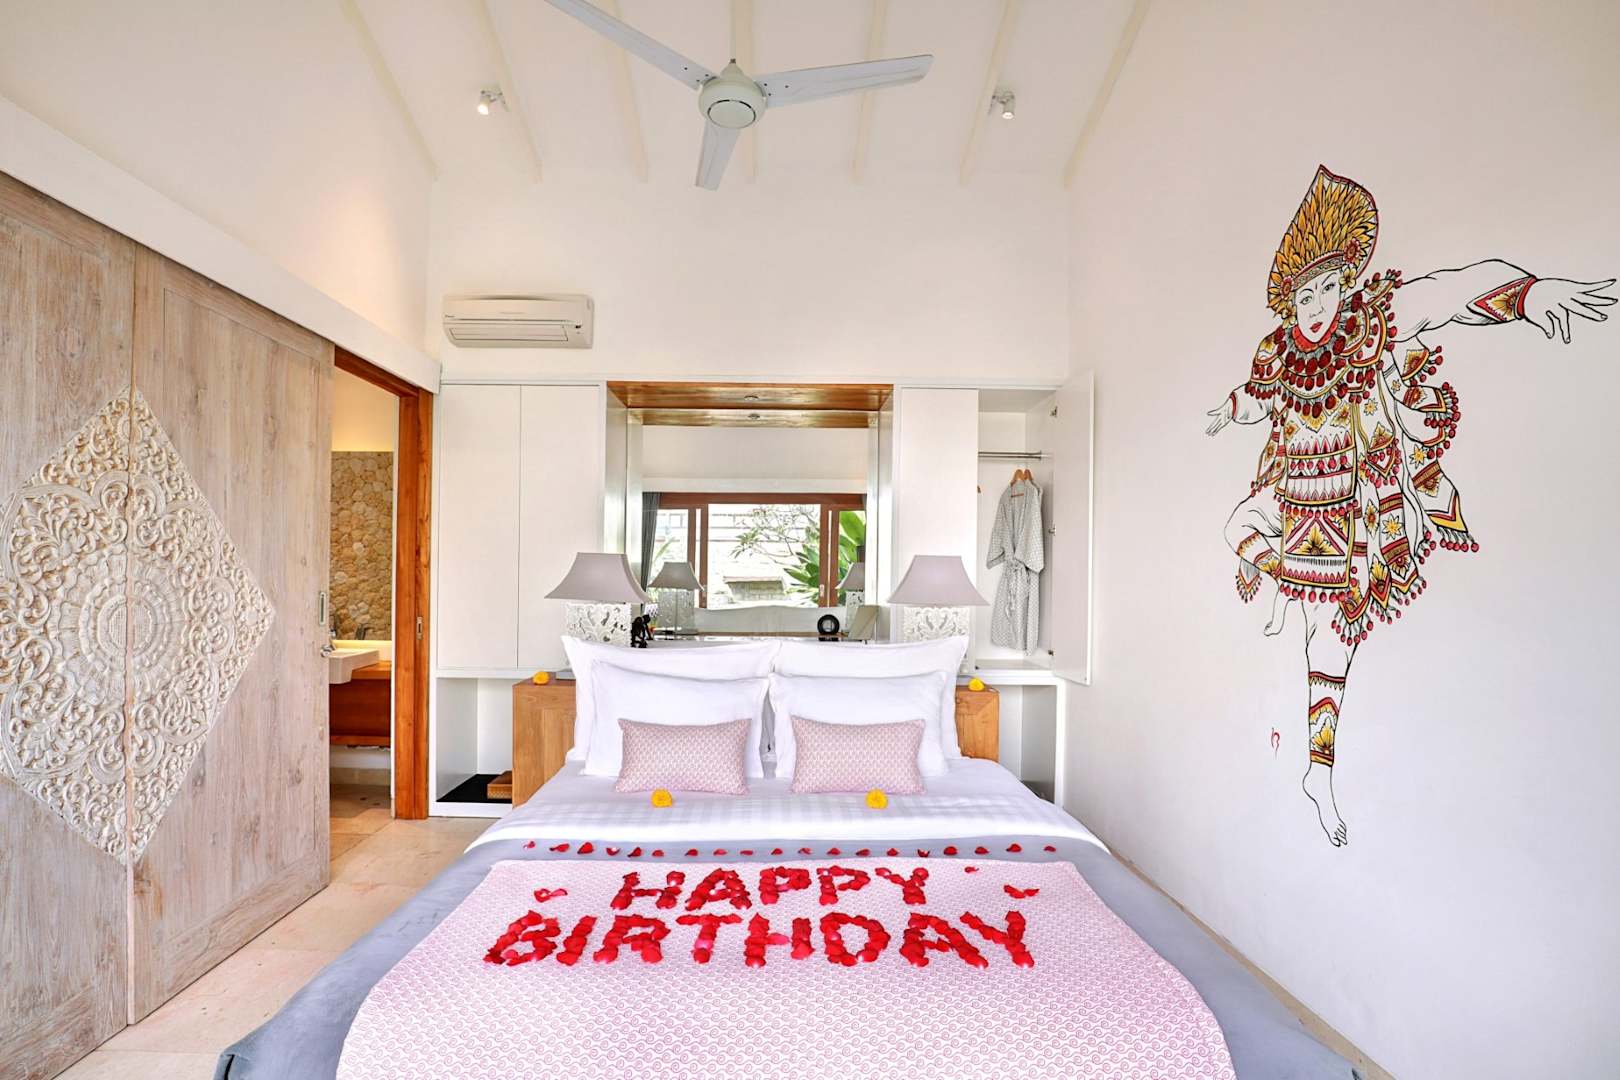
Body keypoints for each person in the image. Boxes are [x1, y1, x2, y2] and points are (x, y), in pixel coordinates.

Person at [1205, 166, 1613, 847]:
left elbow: (1454, 292)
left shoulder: (1372, 322)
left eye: (1327, 287)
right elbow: (1258, 395)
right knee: (1235, 529)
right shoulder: (1278, 351)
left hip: (1357, 508)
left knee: (1327, 648)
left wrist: (1531, 293)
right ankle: (1287, 584)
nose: (1316, 304)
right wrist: (1227, 410)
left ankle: (1318, 772)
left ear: (1345, 283)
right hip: (1294, 501)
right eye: (1304, 293)